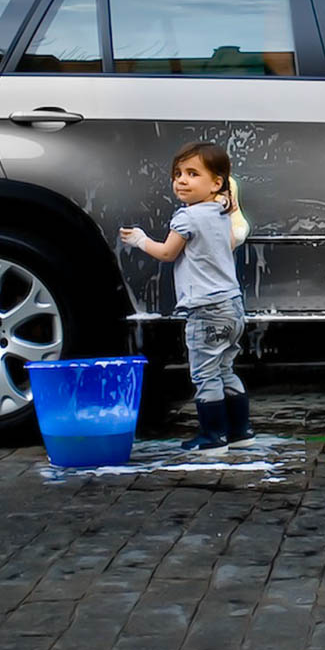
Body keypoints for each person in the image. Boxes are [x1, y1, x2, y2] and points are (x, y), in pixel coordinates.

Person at [120, 141, 252, 453]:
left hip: (204, 309)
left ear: (216, 183)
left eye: (192, 174)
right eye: (178, 173)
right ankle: (241, 431)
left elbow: (166, 253)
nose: (181, 180)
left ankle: (212, 436)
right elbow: (230, 242)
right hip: (232, 307)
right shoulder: (221, 214)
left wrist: (140, 240)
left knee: (205, 373)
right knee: (224, 369)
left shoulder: (187, 218)